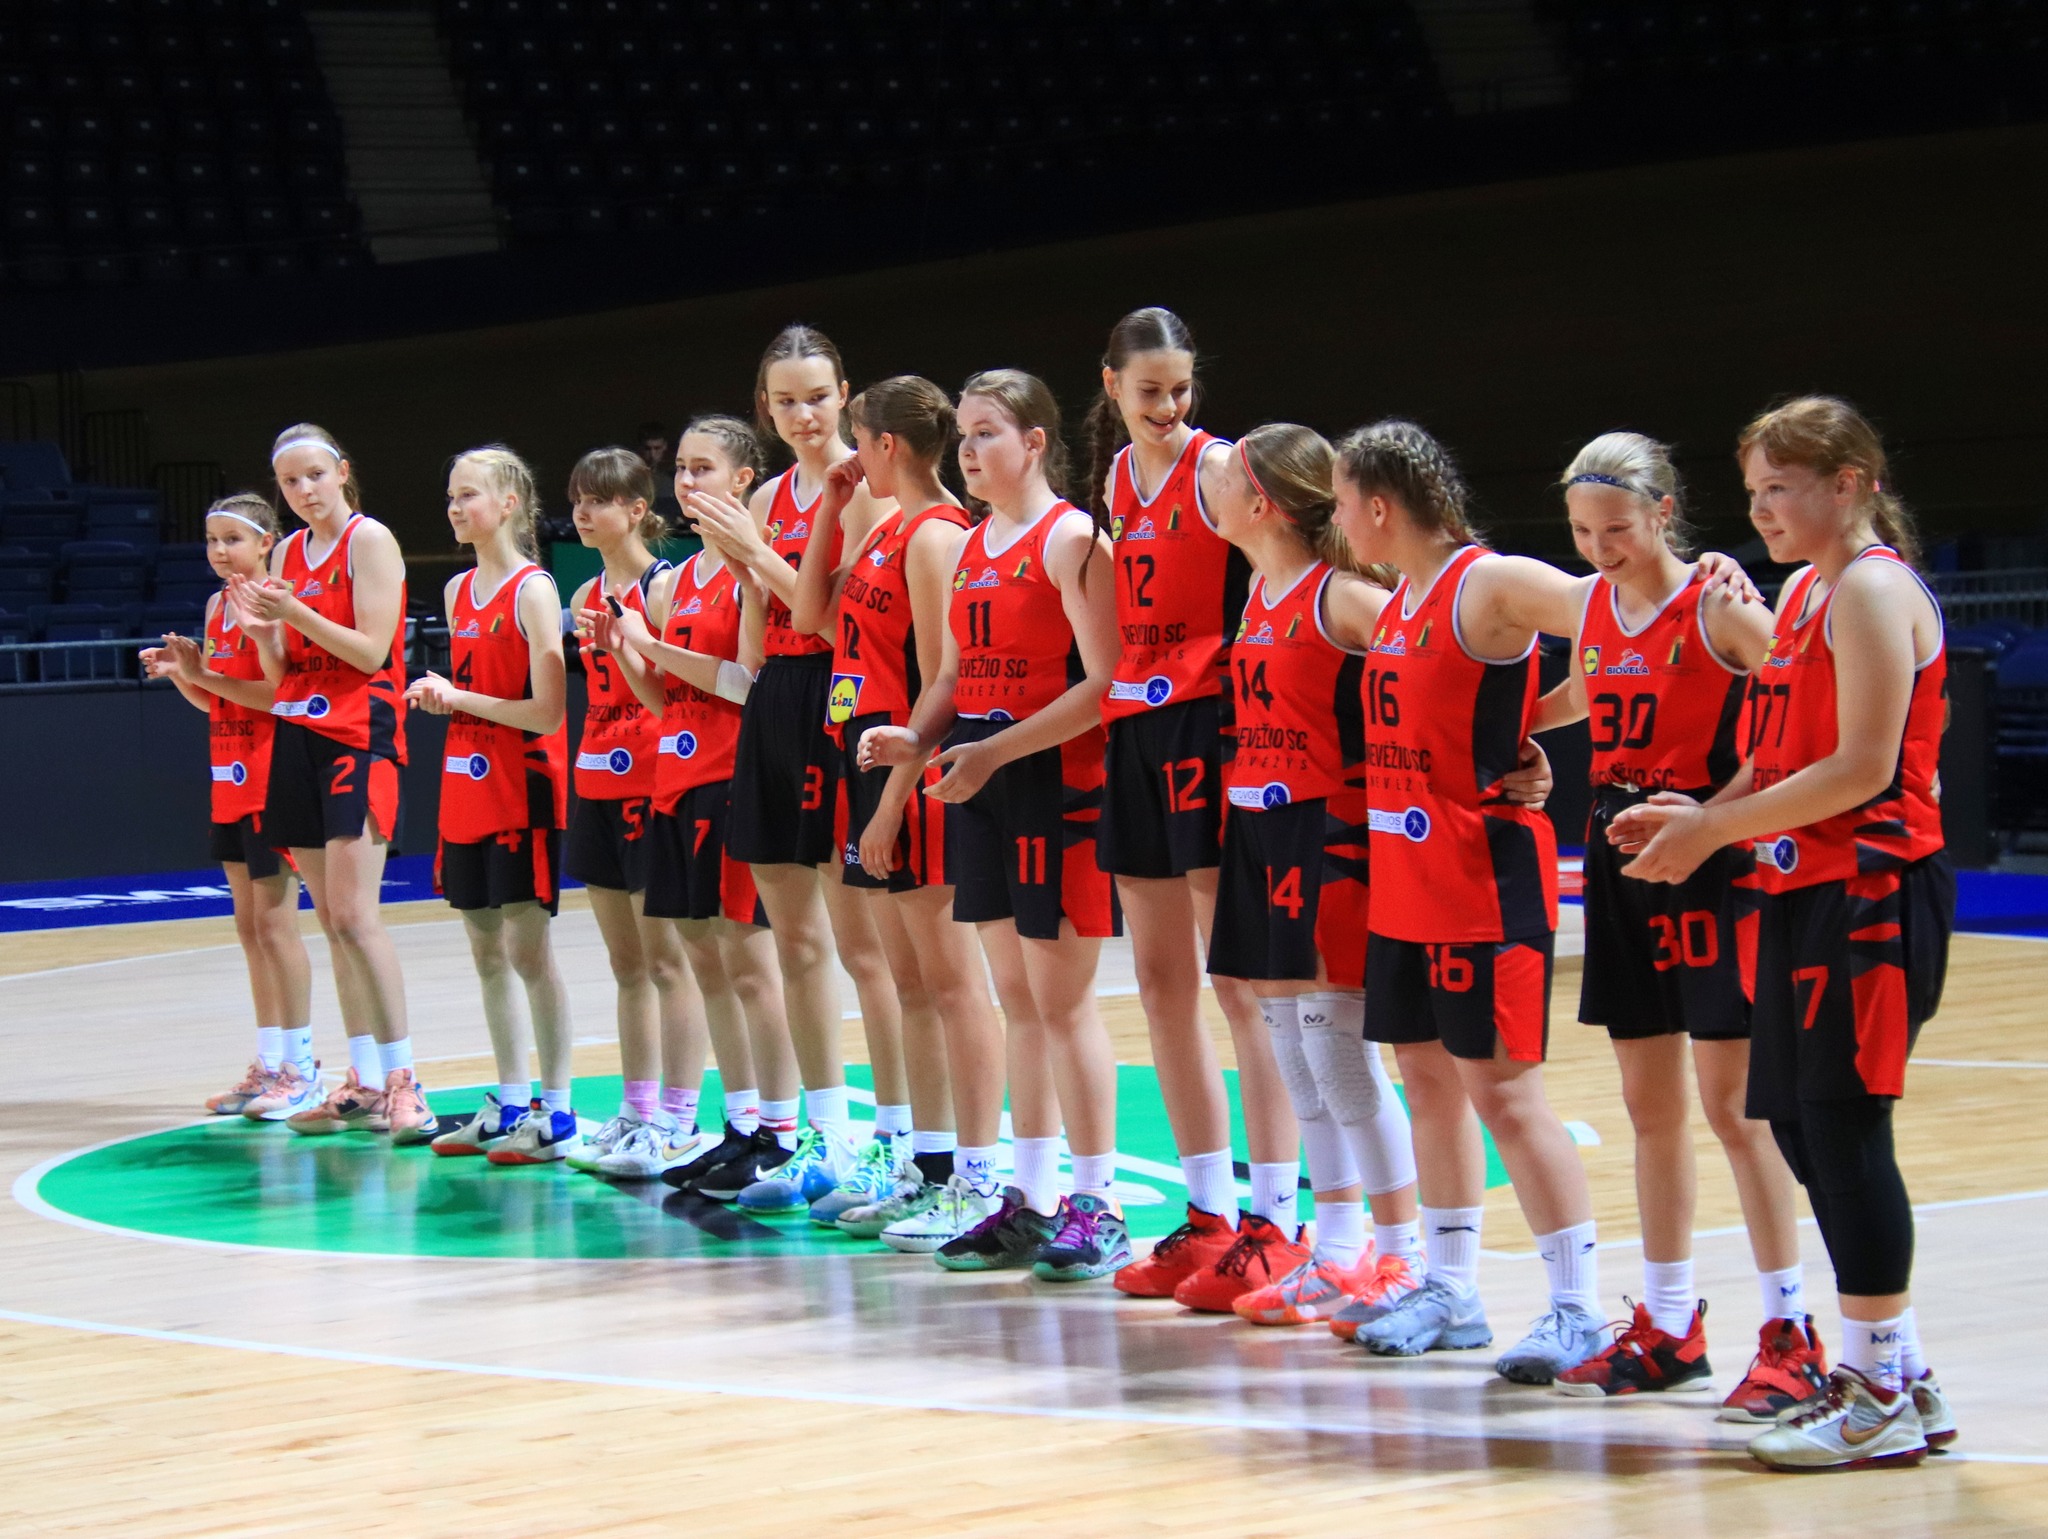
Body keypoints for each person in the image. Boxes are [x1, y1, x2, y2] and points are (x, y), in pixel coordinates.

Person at [1611, 396, 1955, 1469]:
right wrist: (1697, 815)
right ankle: (1900, 1372)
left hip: (1873, 892)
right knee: (1800, 1126)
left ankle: (1877, 1386)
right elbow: (1774, 758)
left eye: (1780, 488)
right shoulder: (1800, 592)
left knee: (1844, 1130)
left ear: (1848, 484)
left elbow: (1860, 767)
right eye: (1752, 490)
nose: (1760, 510)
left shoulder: (1871, 589)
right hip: (1799, 888)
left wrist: (1715, 829)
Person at [1518, 433, 1810, 1404]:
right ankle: (1671, 1321)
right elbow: (1587, 690)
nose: (1597, 548)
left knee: (1736, 1110)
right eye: (1580, 531)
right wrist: (1509, 729)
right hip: (1621, 861)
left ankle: (1789, 1328)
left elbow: (1797, 710)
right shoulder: (1592, 606)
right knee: (1650, 1110)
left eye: (1615, 529)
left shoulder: (1720, 606)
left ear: (1662, 513)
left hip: (1712, 860)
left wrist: (1713, 816)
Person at [1327, 418, 1604, 1384]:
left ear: (1378, 506)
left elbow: (1614, 610)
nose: (1337, 523)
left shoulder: (1488, 583)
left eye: (1342, 504)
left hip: (1486, 880)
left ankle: (1579, 1307)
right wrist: (1528, 725)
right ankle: (1451, 1288)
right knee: (1428, 1080)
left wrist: (1541, 726)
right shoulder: (1401, 598)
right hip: (1408, 882)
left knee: (1507, 1095)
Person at [862, 368, 1126, 1280]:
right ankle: (1033, 1198)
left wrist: (994, 751)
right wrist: (916, 739)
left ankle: (1097, 1205)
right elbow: (951, 676)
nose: (969, 450)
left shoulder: (1072, 539)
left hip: (1054, 782)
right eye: (965, 435)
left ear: (1035, 441)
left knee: (1063, 1001)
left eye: (987, 433)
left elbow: (1104, 684)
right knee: (1018, 999)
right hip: (985, 778)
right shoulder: (973, 545)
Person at [1073, 309, 1306, 1312]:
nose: (1167, 406)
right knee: (1160, 981)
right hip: (1135, 726)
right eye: (1149, 390)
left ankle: (1276, 1222)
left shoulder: (1221, 470)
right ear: (1111, 385)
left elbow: (1313, 562)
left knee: (1239, 983)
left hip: (1211, 723)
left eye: (1180, 388)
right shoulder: (1117, 483)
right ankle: (1207, 1215)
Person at [1196, 425, 1429, 1327]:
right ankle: (1334, 1251)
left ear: (1259, 502)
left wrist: (1510, 755)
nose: (1207, 490)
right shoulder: (1259, 591)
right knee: (1294, 1051)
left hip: (1329, 829)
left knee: (1340, 1054)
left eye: (1221, 479)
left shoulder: (1347, 598)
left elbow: (1443, 665)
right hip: (1260, 827)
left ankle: (1403, 1256)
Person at [682, 326, 909, 1215]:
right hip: (774, 698)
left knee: (862, 944)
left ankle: (897, 1142)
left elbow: (837, 621)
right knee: (797, 942)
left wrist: (756, 550)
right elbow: (759, 625)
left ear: (845, 394)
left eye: (817, 396)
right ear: (765, 408)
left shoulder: (869, 487)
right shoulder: (770, 494)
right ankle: (826, 1135)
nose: (803, 414)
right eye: (785, 401)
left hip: (843, 694)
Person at [789, 377, 997, 1246]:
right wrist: (831, 511)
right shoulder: (882, 528)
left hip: (913, 775)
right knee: (912, 982)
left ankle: (978, 1178)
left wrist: (893, 804)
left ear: (887, 444)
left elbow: (943, 684)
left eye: (859, 438)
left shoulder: (938, 536)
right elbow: (809, 615)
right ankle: (928, 1161)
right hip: (864, 763)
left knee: (953, 983)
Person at [588, 416, 797, 1187]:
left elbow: (746, 682)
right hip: (674, 779)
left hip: (732, 776)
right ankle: (738, 1124)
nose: (687, 480)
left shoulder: (749, 568)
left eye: (703, 468)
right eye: (681, 467)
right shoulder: (674, 580)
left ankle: (780, 1128)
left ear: (743, 479)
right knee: (707, 962)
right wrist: (624, 649)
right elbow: (663, 696)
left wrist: (651, 643)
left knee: (750, 964)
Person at [228, 425, 430, 1144]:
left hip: (358, 733)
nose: (304, 489)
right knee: (332, 923)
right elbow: (283, 668)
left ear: (342, 471)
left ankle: (406, 1081)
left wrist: (295, 612)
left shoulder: (369, 540)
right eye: (290, 481)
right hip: (297, 732)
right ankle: (365, 1080)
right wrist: (263, 632)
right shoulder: (287, 553)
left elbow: (373, 651)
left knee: (355, 916)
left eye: (315, 474)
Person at [404, 448, 580, 1165]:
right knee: (485, 951)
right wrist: (451, 701)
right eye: (451, 495)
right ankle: (509, 1102)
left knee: (528, 952)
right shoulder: (457, 591)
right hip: (466, 784)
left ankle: (558, 1110)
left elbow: (547, 712)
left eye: (468, 494)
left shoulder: (533, 590)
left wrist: (457, 697)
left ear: (509, 503)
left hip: (521, 784)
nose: (455, 507)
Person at [556, 448, 711, 1177]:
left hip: (653, 782)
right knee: (626, 964)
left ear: (638, 509)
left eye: (599, 500)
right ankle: (636, 1110)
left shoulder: (664, 585)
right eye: (578, 499)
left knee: (666, 960)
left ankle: (678, 1117)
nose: (583, 512)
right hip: (594, 782)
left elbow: (665, 696)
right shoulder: (583, 591)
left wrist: (623, 647)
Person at [143, 494, 317, 1123]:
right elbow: (218, 703)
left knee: (276, 926)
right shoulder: (217, 606)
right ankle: (268, 1064)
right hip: (230, 778)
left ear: (267, 542)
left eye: (232, 540)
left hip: (274, 780)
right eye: (212, 540)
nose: (219, 551)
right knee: (249, 929)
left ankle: (300, 1070)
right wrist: (184, 673)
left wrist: (206, 675)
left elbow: (277, 694)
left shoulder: (275, 601)